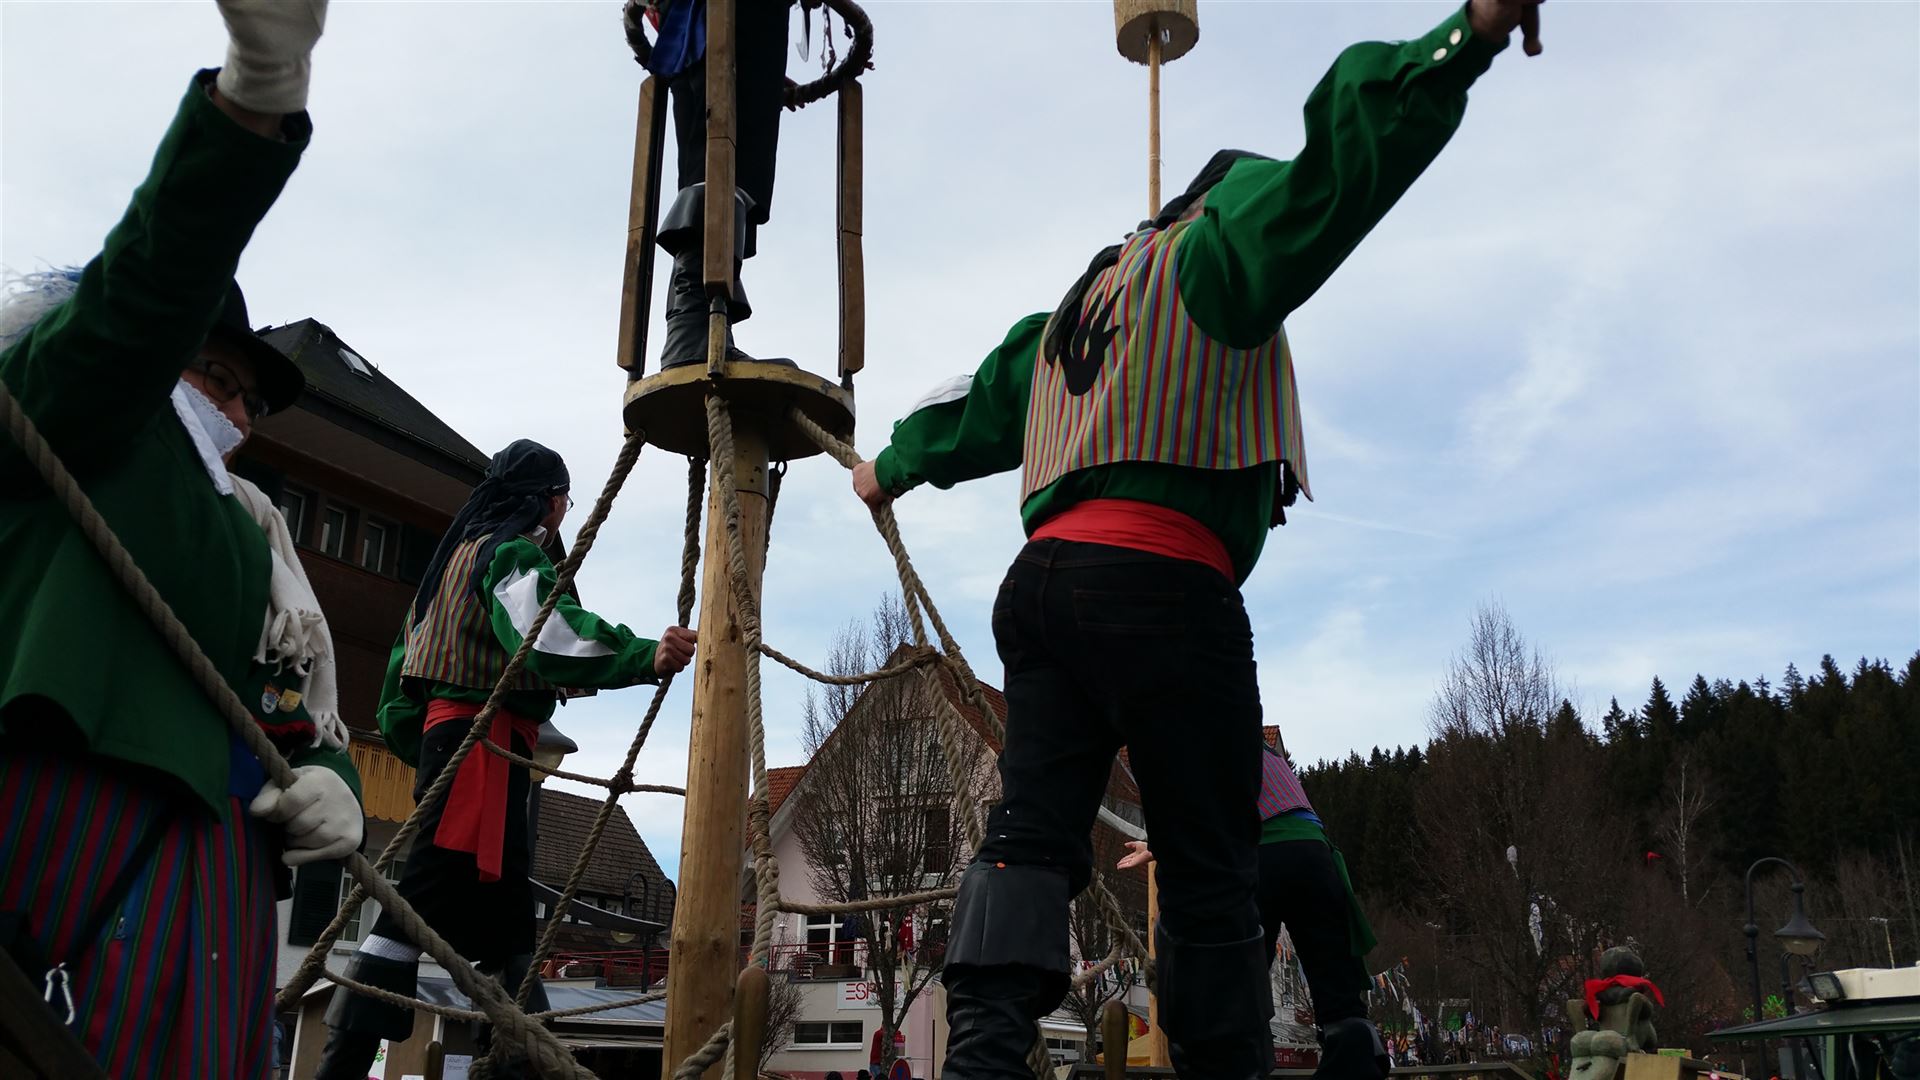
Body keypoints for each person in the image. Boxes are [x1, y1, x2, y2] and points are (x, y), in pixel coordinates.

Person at [849, 3, 1544, 1078]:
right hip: (1165, 588)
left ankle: (982, 1054)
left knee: (1029, 835)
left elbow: (975, 404)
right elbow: (1334, 174)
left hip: (1040, 592)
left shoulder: (1074, 313)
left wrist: (888, 466)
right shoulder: (1216, 256)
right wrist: (1468, 37)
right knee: (1213, 862)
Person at [0, 3, 361, 1076]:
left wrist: (333, 773)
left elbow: (285, 692)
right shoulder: (75, 405)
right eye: (217, 374)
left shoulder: (251, 529)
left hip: (218, 865)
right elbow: (149, 287)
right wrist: (254, 100)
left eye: (252, 398)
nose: (236, 413)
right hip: (69, 810)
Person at [312, 438, 697, 1079]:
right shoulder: (513, 555)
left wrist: (427, 749)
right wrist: (643, 656)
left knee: (509, 914)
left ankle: (520, 1064)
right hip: (482, 750)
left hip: (457, 744)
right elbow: (545, 632)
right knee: (421, 898)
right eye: (564, 500)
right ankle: (343, 1068)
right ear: (550, 502)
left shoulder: (445, 569)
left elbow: (398, 690)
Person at [1119, 740, 1385, 1080]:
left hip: (1257, 855)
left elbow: (1197, 810)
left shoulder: (1188, 737)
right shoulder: (1262, 747)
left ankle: (1241, 1063)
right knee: (1339, 995)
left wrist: (1163, 845)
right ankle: (1356, 1058)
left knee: (1239, 984)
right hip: (1315, 853)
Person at [632, 0, 797, 369]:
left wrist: (764, 66)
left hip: (740, 26)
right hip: (713, 20)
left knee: (740, 182)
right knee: (715, 171)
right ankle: (692, 332)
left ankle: (708, 328)